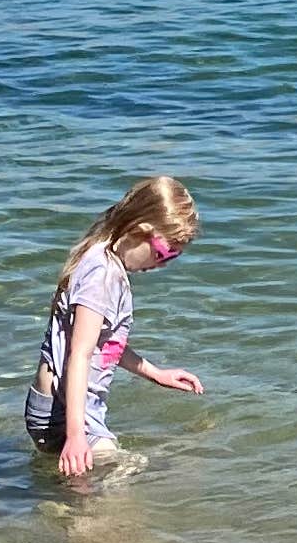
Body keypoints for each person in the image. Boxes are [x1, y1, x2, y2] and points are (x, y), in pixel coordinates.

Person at [28, 175, 208, 476]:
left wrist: (156, 373)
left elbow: (107, 344)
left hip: (61, 409)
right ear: (139, 230)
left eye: (173, 257)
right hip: (62, 413)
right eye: (164, 253)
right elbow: (80, 353)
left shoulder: (103, 259)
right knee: (122, 472)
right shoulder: (101, 276)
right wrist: (76, 435)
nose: (163, 264)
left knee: (88, 485)